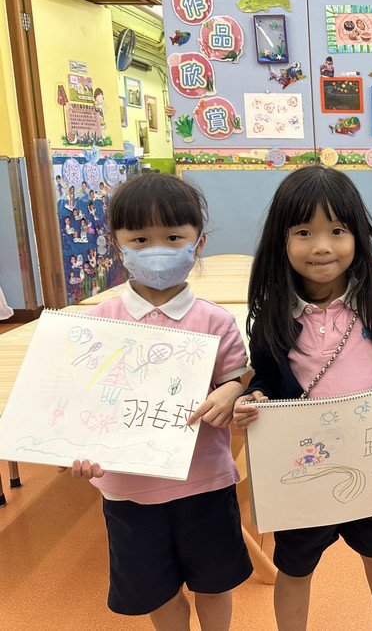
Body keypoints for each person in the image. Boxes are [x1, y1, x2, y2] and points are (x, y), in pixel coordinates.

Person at [233, 166, 372, 631]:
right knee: (295, 565)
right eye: (304, 232)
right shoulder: (273, 314)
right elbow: (268, 377)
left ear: (357, 235)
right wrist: (255, 396)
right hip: (302, 469)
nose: (321, 246)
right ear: (282, 240)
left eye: (336, 231)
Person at [63, 171, 253, 629]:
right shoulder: (100, 320)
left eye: (172, 237)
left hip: (205, 482)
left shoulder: (215, 320)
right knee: (156, 590)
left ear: (198, 243)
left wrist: (231, 392)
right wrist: (74, 447)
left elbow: (238, 378)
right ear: (118, 246)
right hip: (127, 489)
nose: (156, 250)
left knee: (214, 584)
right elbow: (82, 401)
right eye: (140, 239)